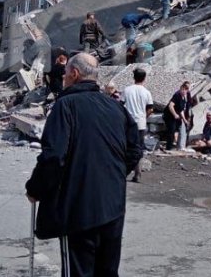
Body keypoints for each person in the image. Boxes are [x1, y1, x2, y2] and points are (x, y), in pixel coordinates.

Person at [25, 53, 142, 277]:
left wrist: (35, 189)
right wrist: (115, 173)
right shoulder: (115, 107)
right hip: (113, 206)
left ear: (74, 74)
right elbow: (135, 148)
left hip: (78, 208)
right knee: (107, 272)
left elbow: (54, 157)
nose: (64, 79)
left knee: (79, 272)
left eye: (66, 75)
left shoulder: (65, 106)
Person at [122, 68, 154, 182]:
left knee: (125, 147)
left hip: (128, 123)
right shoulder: (146, 92)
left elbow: (121, 105)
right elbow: (150, 109)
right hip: (140, 124)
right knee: (138, 149)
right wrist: (143, 117)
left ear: (133, 77)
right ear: (144, 78)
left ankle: (124, 171)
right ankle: (137, 173)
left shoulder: (127, 90)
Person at [165, 81, 193, 151]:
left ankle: (180, 146)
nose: (185, 91)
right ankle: (169, 148)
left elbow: (181, 110)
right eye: (183, 89)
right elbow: (170, 106)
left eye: (186, 89)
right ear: (181, 88)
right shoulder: (177, 95)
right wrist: (175, 114)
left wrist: (185, 120)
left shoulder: (185, 96)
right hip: (170, 115)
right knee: (171, 130)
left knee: (181, 128)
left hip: (177, 114)